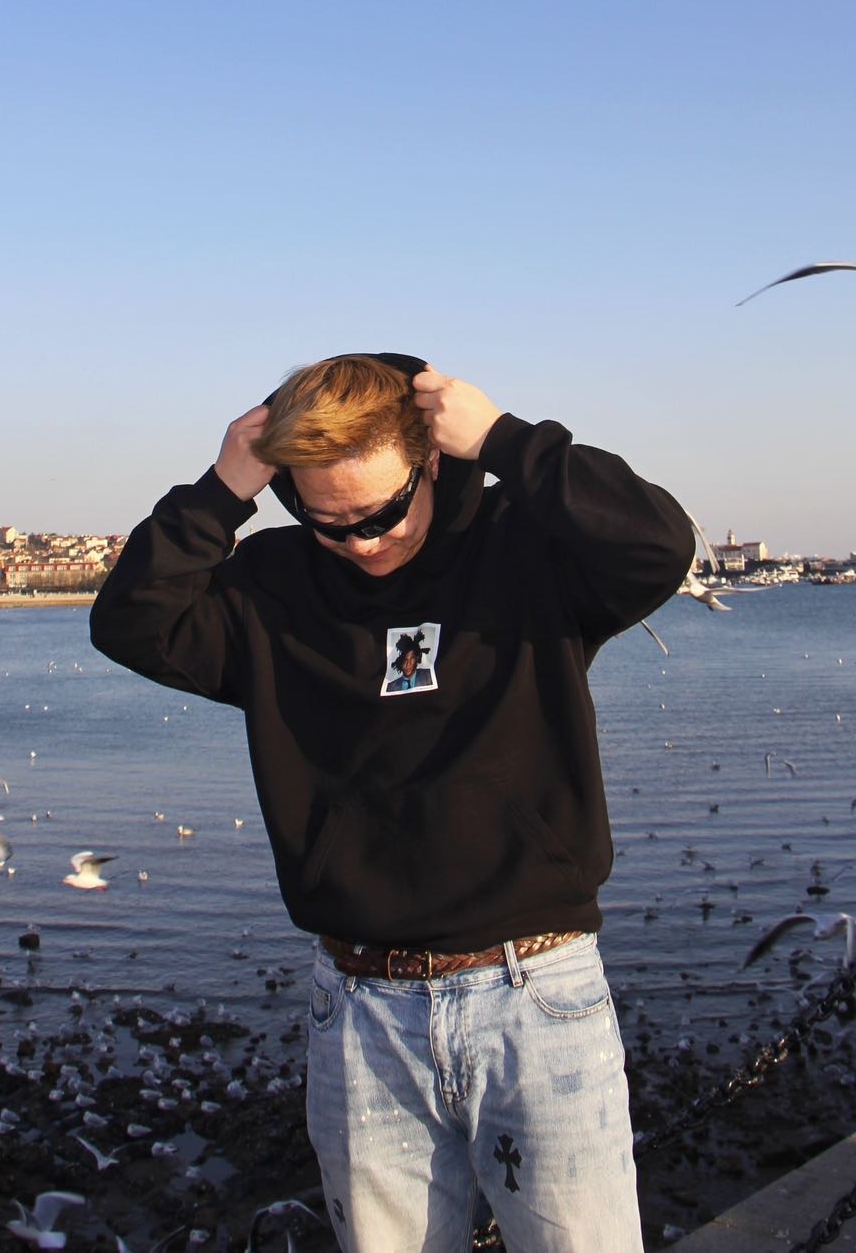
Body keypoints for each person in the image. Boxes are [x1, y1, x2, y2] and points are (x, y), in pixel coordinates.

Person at [89, 352, 694, 1252]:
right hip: (360, 1006)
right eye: (330, 522)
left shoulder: (524, 550)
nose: (364, 542)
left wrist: (507, 439)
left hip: (536, 994)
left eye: (381, 512)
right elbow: (129, 621)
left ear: (431, 461)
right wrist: (221, 491)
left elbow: (659, 543)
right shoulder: (271, 587)